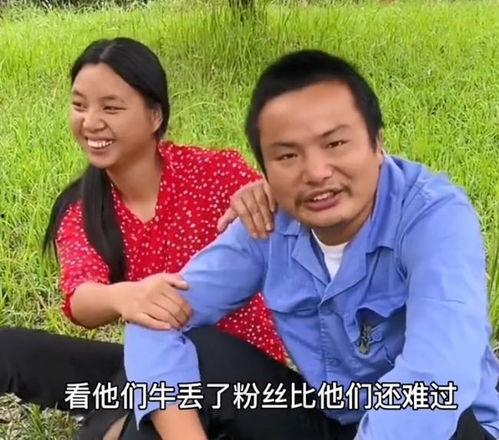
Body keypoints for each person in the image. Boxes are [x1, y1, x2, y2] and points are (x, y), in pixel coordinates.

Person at [125, 50, 499, 440]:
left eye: (335, 144)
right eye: (288, 155)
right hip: (336, 419)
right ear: (266, 172)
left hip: (443, 427)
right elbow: (154, 314)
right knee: (187, 366)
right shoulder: (267, 221)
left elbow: (437, 377)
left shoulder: (434, 219)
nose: (317, 173)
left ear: (377, 143)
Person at [0, 37, 286, 439]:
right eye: (79, 105)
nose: (91, 122)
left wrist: (266, 194)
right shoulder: (84, 208)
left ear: (155, 115)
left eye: (111, 107)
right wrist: (126, 296)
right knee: (7, 349)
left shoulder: (215, 174)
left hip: (231, 371)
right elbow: (81, 297)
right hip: (152, 361)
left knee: (143, 412)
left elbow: (291, 208)